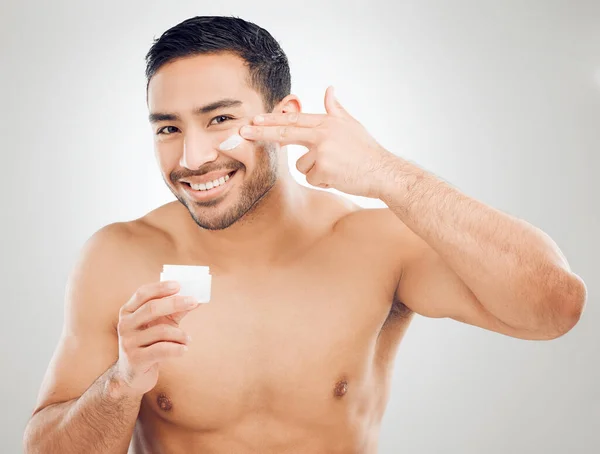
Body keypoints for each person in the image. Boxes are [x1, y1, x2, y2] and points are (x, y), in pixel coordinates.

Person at [23, 15, 587, 454]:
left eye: (220, 119)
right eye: (169, 128)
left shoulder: (375, 242)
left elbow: (554, 306)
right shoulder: (120, 257)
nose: (191, 157)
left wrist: (385, 173)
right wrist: (122, 384)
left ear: (283, 115)